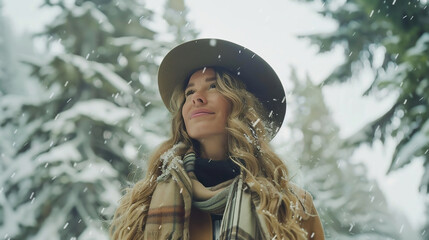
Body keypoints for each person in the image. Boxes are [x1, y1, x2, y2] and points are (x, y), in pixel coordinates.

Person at [110, 38, 325, 240]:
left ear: (242, 105)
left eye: (213, 86)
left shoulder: (291, 206)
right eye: (189, 92)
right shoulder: (142, 204)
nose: (196, 98)